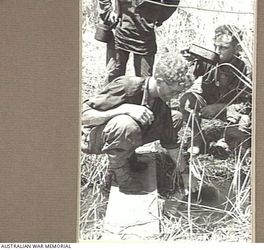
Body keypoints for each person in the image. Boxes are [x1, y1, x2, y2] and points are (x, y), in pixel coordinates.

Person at [81, 53, 197, 194]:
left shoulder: (161, 105)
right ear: (159, 81)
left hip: (117, 135)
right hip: (91, 139)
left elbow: (172, 145)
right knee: (126, 124)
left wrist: (185, 174)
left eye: (179, 92)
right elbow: (83, 116)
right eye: (173, 91)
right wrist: (124, 109)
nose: (176, 96)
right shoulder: (127, 86)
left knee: (175, 118)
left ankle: (128, 157)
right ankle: (120, 175)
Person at [179, 24, 252, 157]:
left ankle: (226, 141)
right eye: (215, 46)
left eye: (223, 48)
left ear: (237, 49)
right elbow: (185, 82)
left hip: (231, 109)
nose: (218, 51)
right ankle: (197, 138)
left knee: (244, 122)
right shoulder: (208, 59)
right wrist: (186, 64)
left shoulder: (246, 68)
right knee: (186, 101)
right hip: (208, 100)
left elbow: (248, 104)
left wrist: (221, 108)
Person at [97, 0, 172, 83]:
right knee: (113, 78)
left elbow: (173, 1)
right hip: (119, 32)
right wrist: (108, 12)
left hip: (145, 36)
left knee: (144, 81)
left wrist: (159, 17)